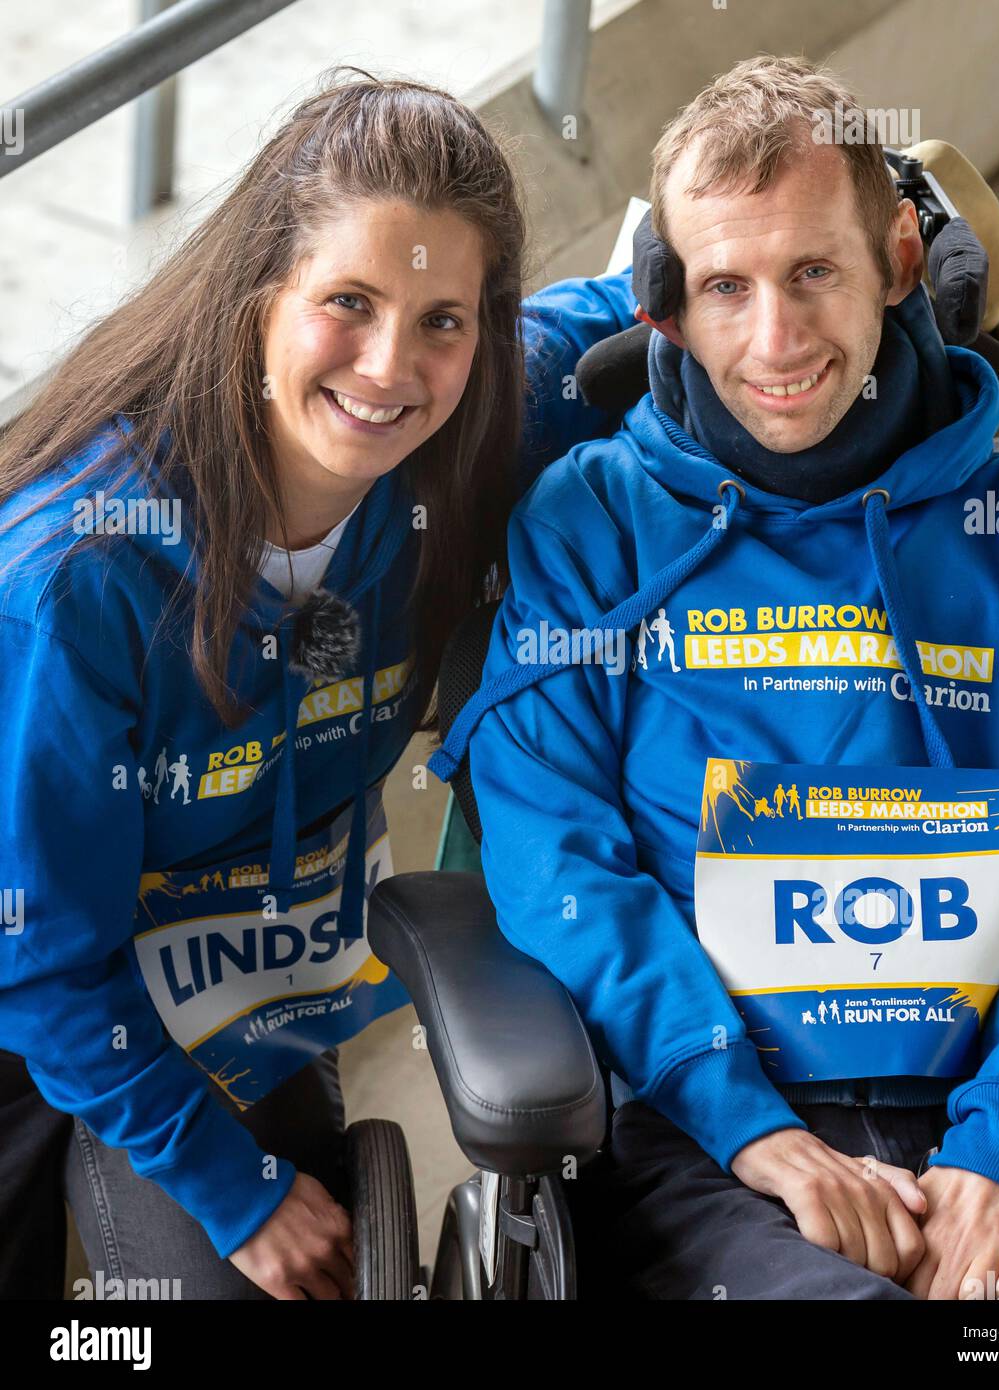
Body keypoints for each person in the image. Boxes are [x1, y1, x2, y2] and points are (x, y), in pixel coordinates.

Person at [437, 54, 999, 1299]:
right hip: (709, 1136)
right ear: (661, 303)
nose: (773, 341)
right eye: (725, 286)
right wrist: (753, 1126)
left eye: (813, 272)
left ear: (899, 265)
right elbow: (557, 862)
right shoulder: (586, 529)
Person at [0, 72, 636, 1300]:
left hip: (231, 968)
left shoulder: (465, 422)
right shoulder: (75, 578)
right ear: (258, 298)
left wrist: (897, 246)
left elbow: (643, 308)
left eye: (442, 319)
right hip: (34, 974)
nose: (390, 364)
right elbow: (36, 959)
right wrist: (230, 1191)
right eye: (347, 301)